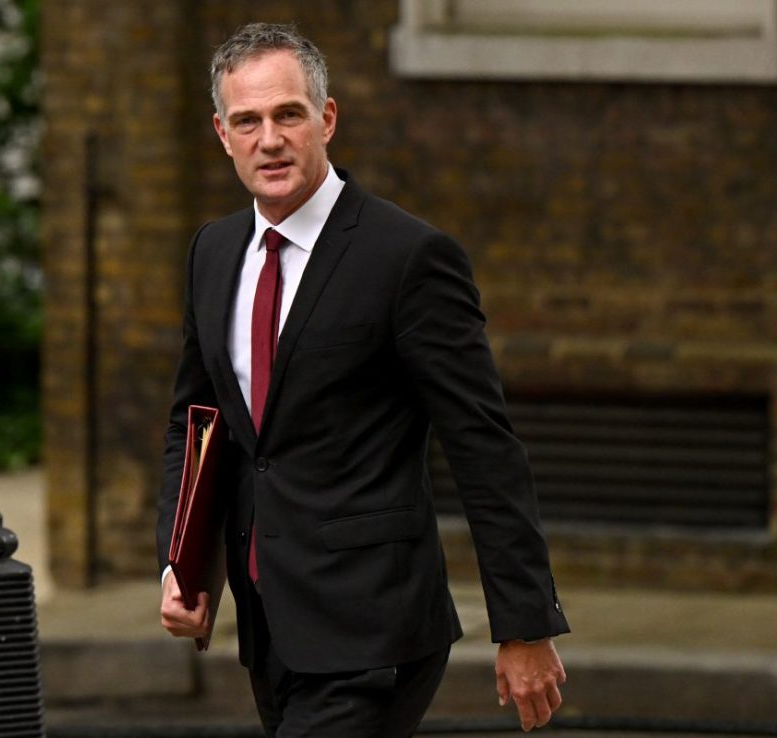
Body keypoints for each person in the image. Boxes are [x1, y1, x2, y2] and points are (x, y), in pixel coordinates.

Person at [157, 22, 569, 737]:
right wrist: (182, 561)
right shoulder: (213, 253)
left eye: (288, 114)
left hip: (374, 629)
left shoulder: (408, 257)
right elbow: (196, 421)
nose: (270, 139)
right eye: (247, 121)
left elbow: (483, 446)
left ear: (327, 118)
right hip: (268, 626)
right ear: (222, 135)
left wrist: (524, 624)